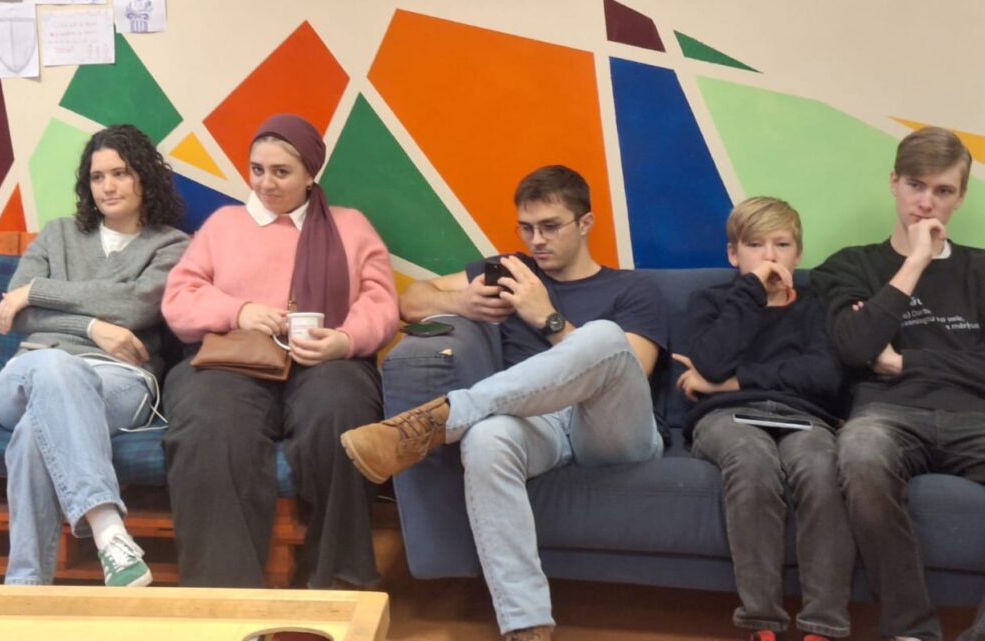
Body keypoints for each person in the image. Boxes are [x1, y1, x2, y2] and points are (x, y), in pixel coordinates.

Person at [340, 165, 667, 641]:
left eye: (550, 226)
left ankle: (445, 415)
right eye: (526, 228)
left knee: (604, 337)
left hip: (609, 428)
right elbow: (412, 299)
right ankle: (525, 623)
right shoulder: (511, 271)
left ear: (586, 223)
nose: (537, 241)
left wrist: (547, 318)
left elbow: (632, 369)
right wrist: (465, 303)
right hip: (533, 421)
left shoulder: (633, 289)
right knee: (486, 437)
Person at [161, 114, 398, 588]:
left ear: (311, 173)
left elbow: (381, 301)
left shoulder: (351, 227)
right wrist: (238, 311)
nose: (265, 183)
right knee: (209, 421)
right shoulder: (224, 225)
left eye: (281, 172)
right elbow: (179, 298)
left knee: (341, 410)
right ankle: (223, 596)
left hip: (324, 361)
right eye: (257, 170)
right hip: (231, 362)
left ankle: (337, 583)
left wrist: (345, 339)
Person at [0, 124, 189, 587]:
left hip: (121, 380)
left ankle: (24, 587)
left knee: (34, 431)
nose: (108, 186)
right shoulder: (58, 234)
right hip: (30, 369)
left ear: (144, 178)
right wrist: (92, 327)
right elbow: (15, 315)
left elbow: (136, 305)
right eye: (98, 177)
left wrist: (38, 291)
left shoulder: (172, 245)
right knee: (55, 367)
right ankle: (108, 530)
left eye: (120, 173)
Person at [812, 126, 985, 641]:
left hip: (975, 415)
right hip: (887, 416)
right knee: (860, 453)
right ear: (894, 182)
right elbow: (855, 348)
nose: (926, 203)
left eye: (943, 190)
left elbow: (882, 352)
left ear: (961, 197)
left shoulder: (981, 270)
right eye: (916, 185)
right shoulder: (851, 266)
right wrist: (914, 263)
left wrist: (906, 361)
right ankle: (911, 631)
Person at [674, 197, 853, 641]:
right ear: (733, 254)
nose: (770, 256)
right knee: (752, 464)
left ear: (799, 254)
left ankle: (823, 625)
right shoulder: (710, 302)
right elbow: (711, 361)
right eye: (755, 245)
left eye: (782, 244)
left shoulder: (817, 306)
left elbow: (824, 376)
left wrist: (732, 382)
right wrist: (751, 292)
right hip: (727, 417)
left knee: (820, 467)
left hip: (803, 416)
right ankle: (762, 623)